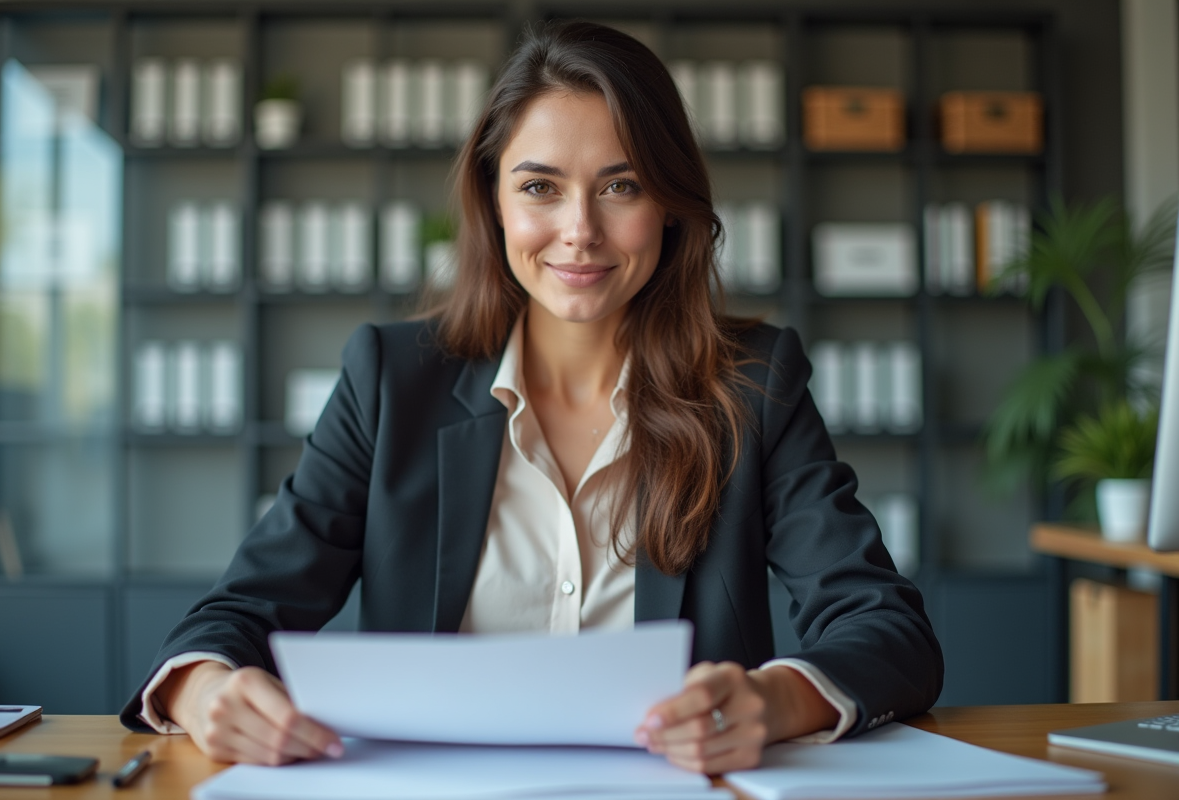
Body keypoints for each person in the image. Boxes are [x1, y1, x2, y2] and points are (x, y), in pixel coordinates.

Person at [120, 20, 943, 775]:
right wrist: (205, 693)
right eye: (541, 187)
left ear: (671, 207)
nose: (579, 229)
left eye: (620, 187)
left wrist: (771, 702)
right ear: (494, 201)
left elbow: (888, 631)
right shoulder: (390, 379)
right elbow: (240, 610)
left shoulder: (752, 384)